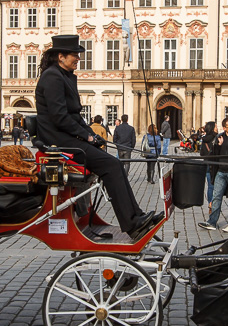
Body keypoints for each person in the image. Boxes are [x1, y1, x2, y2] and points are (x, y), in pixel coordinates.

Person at [35, 34, 158, 237]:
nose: (78, 58)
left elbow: (75, 116)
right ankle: (132, 223)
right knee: (110, 165)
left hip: (66, 137)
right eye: (74, 54)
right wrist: (88, 137)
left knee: (115, 164)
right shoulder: (52, 76)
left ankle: (136, 216)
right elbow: (60, 118)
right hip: (58, 141)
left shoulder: (64, 76)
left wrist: (91, 133)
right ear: (60, 56)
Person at [198, 118, 228, 231]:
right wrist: (218, 146)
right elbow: (214, 154)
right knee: (216, 197)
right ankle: (212, 222)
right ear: (225, 128)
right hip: (221, 172)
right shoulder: (220, 137)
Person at [199, 121, 218, 209]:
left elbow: (202, 153)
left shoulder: (204, 139)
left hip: (206, 164)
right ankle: (214, 203)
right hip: (215, 164)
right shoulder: (216, 138)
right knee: (216, 186)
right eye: (216, 127)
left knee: (210, 186)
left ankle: (210, 203)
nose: (217, 128)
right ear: (212, 129)